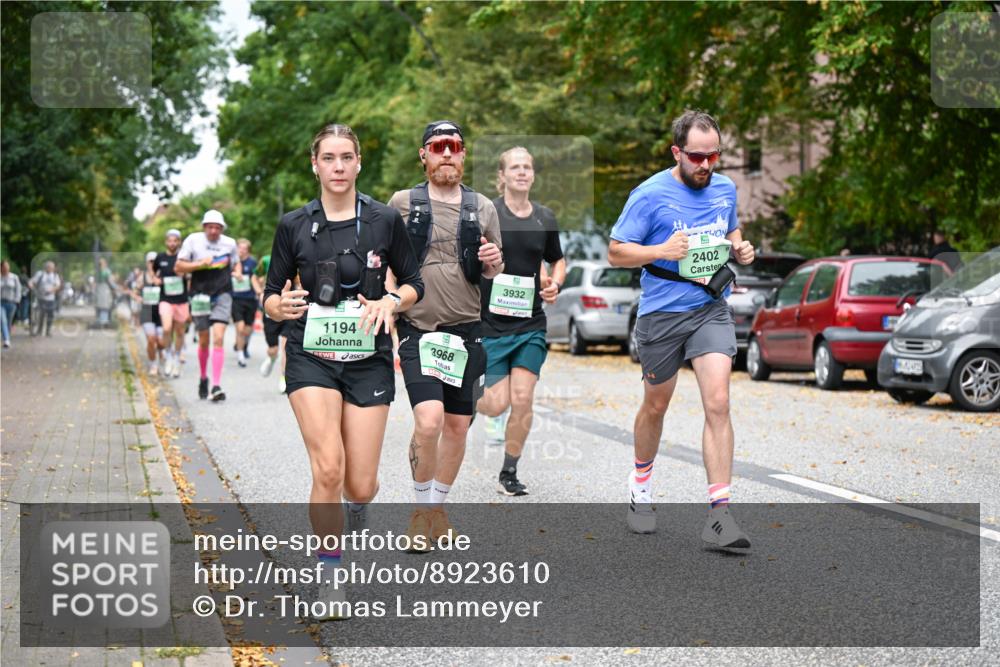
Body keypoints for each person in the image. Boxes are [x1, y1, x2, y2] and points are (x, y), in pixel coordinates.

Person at [264, 123, 424, 618]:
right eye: (328, 158)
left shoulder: (382, 220)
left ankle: (357, 506)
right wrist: (280, 306)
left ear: (358, 163)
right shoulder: (293, 225)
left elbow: (415, 282)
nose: (337, 166)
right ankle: (330, 577)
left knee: (360, 484)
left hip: (368, 358)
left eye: (346, 157)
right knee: (328, 468)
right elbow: (270, 296)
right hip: (310, 355)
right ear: (315, 164)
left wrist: (393, 301)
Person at [607, 110, 756, 550]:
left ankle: (720, 516)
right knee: (656, 405)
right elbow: (616, 252)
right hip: (662, 314)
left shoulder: (725, 188)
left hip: (710, 308)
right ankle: (641, 485)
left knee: (719, 402)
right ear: (677, 152)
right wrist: (660, 249)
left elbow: (731, 232)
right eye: (696, 157)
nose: (706, 165)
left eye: (713, 156)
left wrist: (741, 248)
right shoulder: (649, 194)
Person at [387, 120, 503, 546]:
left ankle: (436, 509)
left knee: (457, 425)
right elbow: (384, 261)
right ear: (424, 155)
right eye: (439, 146)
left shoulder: (483, 207)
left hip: (467, 331)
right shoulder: (402, 203)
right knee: (429, 420)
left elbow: (494, 266)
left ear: (464, 153)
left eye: (455, 146)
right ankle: (419, 511)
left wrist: (493, 261)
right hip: (418, 329)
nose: (447, 153)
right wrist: (388, 303)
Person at [475, 147, 566, 496]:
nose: (522, 172)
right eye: (515, 167)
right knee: (496, 403)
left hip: (530, 325)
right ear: (502, 176)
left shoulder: (544, 217)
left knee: (523, 397)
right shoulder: (488, 214)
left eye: (528, 166)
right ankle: (466, 400)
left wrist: (554, 283)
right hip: (490, 325)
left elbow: (557, 260)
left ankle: (509, 472)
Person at [175, 210, 241, 401]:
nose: (213, 231)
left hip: (223, 293)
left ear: (222, 229)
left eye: (217, 227)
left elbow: (235, 264)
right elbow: (179, 267)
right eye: (210, 227)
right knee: (203, 339)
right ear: (204, 227)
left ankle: (216, 385)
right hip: (199, 294)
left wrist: (236, 272)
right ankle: (203, 377)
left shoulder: (229, 243)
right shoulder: (193, 241)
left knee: (218, 338)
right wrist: (200, 264)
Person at [151, 229, 191, 378]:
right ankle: (168, 356)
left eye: (175, 240)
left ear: (179, 242)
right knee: (167, 329)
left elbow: (190, 274)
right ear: (166, 241)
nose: (172, 243)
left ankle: (176, 358)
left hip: (181, 300)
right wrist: (155, 280)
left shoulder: (184, 258)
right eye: (170, 240)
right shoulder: (160, 257)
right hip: (165, 299)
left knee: (180, 332)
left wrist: (186, 275)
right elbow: (153, 272)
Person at [252, 254, 289, 391]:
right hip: (270, 308)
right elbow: (254, 277)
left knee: (286, 347)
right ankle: (272, 358)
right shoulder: (267, 260)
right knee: (273, 349)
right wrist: (259, 292)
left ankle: (283, 377)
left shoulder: (298, 256)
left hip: (289, 307)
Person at [231, 238, 258, 367]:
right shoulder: (231, 263)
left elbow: (258, 277)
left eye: (244, 249)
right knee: (240, 329)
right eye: (239, 248)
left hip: (250, 300)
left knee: (247, 330)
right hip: (236, 299)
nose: (241, 251)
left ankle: (239, 344)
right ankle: (241, 356)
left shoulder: (252, 263)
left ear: (248, 250)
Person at [138, 251, 165, 375]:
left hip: (161, 313)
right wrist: (138, 297)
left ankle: (161, 351)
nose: (153, 264)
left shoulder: (163, 276)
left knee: (160, 341)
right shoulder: (141, 277)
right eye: (150, 261)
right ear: (147, 263)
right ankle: (153, 364)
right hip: (147, 312)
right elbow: (133, 291)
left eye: (155, 261)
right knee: (151, 339)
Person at [29, 261, 62, 337]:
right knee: (41, 315)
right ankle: (39, 331)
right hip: (40, 298)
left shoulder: (54, 275)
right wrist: (31, 286)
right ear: (46, 267)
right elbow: (32, 282)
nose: (51, 269)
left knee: (50, 315)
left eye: (52, 267)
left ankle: (48, 331)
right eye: (49, 267)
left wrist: (52, 290)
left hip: (51, 299)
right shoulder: (40, 274)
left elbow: (58, 285)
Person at [1, 261, 22, 348]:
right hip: (0, 302)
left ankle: (7, 338)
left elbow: (18, 290)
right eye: (4, 266)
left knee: (8, 322)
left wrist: (17, 301)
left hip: (11, 303)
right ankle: (6, 340)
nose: (6, 268)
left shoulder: (14, 277)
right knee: (3, 320)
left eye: (7, 266)